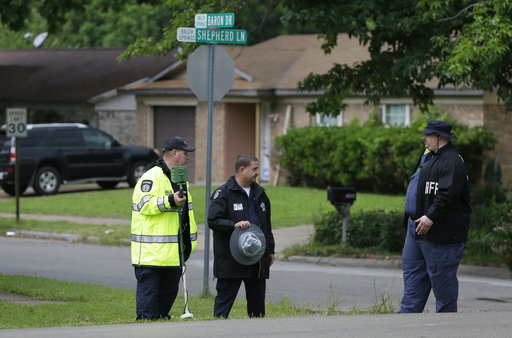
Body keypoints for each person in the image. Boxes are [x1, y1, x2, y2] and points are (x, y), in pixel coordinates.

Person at [398, 120, 471, 313]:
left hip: (440, 233)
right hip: (416, 227)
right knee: (413, 279)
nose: (424, 137)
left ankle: (445, 327)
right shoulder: (429, 158)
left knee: (442, 283)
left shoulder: (452, 161)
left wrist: (430, 216)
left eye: (428, 134)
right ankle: (405, 321)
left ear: (441, 137)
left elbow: (447, 193)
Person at [130, 136, 198, 320]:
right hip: (151, 254)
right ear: (174, 153)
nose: (188, 157)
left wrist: (188, 243)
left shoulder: (180, 179)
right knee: (148, 305)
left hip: (172, 254)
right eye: (185, 153)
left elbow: (185, 215)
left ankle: (160, 322)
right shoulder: (151, 176)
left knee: (167, 297)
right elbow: (144, 204)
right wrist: (170, 200)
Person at [208, 154, 275, 318]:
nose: (258, 172)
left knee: (257, 307)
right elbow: (213, 221)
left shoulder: (260, 194)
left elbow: (267, 226)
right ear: (242, 170)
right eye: (254, 169)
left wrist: (270, 250)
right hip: (231, 259)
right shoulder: (223, 193)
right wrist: (234, 225)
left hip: (257, 259)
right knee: (224, 303)